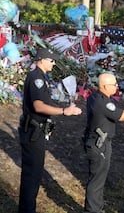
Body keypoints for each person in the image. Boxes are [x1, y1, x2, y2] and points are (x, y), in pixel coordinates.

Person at [18, 47, 83, 213]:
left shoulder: (42, 77)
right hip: (32, 132)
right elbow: (38, 106)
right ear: (42, 60)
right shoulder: (36, 78)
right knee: (31, 174)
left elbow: (45, 104)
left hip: (38, 130)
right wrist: (64, 111)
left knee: (35, 172)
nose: (53, 63)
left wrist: (48, 124)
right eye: (51, 60)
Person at [83, 72, 124, 213]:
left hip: (95, 142)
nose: (117, 86)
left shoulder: (95, 96)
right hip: (99, 145)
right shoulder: (103, 102)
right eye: (114, 84)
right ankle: (92, 210)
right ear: (106, 86)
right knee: (97, 181)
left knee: (98, 179)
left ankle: (96, 208)